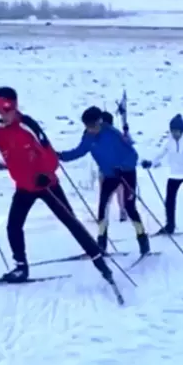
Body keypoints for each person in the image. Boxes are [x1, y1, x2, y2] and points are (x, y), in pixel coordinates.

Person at [0, 87, 114, 284]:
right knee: (13, 226)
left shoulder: (28, 127)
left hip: (47, 185)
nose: (3, 114)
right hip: (24, 188)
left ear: (15, 106)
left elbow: (51, 157)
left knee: (71, 222)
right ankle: (21, 269)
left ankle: (101, 263)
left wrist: (46, 176)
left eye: (7, 109)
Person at [58, 106, 150, 256]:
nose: (90, 129)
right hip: (110, 175)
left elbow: (133, 155)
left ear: (99, 122)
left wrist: (122, 166)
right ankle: (101, 244)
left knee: (129, 207)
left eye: (92, 126)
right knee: (102, 209)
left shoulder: (113, 134)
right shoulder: (88, 137)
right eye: (87, 126)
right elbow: (79, 151)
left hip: (126, 173)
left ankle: (143, 240)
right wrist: (60, 156)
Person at [100, 111, 128, 222]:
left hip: (118, 170)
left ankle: (123, 211)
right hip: (104, 169)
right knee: (105, 193)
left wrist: (126, 133)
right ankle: (103, 213)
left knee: (120, 192)